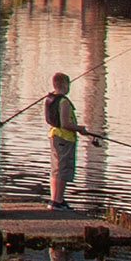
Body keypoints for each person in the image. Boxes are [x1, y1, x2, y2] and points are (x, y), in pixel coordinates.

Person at [34, 72, 83, 209]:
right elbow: (65, 124)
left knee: (56, 168)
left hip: (54, 135)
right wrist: (80, 128)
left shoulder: (50, 99)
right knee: (62, 169)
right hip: (64, 138)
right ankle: (57, 200)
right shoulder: (64, 102)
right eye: (69, 84)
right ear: (65, 84)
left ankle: (56, 199)